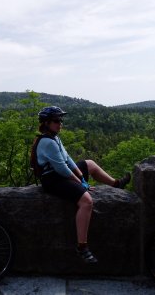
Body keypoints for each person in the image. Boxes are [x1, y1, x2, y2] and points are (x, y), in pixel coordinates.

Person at [33, 106, 131, 263]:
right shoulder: (47, 142)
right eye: (56, 120)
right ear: (46, 123)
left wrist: (81, 177)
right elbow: (62, 169)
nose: (60, 123)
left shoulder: (55, 138)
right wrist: (81, 183)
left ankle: (116, 184)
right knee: (86, 201)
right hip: (53, 180)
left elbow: (68, 159)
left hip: (60, 175)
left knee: (90, 164)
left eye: (61, 120)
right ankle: (82, 247)